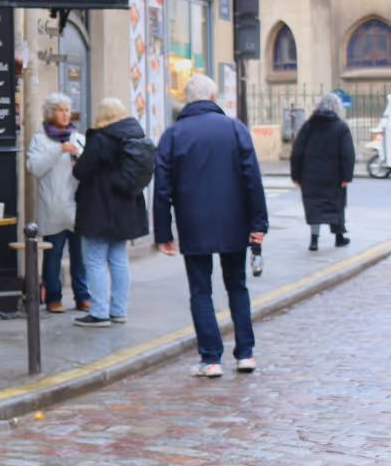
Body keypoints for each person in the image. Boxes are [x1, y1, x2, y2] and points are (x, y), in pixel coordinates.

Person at [154, 74, 268, 378]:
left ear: (188, 99)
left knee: (201, 291)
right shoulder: (234, 128)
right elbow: (252, 178)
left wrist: (163, 233)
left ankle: (211, 358)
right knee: (237, 285)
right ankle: (245, 354)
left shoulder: (173, 134)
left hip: (193, 223)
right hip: (235, 220)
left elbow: (162, 189)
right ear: (213, 96)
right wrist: (259, 223)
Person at [72, 98, 149, 328]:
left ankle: (99, 312)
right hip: (124, 207)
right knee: (118, 258)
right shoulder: (134, 134)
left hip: (99, 207)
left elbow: (81, 170)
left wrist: (77, 159)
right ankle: (118, 310)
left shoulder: (101, 138)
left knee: (94, 259)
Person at [26, 92, 90, 314]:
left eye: (67, 110)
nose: (65, 114)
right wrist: (58, 150)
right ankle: (54, 297)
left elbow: (91, 168)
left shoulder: (79, 138)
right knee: (52, 256)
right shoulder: (39, 138)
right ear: (50, 113)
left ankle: (83, 296)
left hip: (77, 207)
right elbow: (34, 168)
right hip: (53, 207)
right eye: (60, 110)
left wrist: (79, 155)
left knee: (80, 256)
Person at [291, 93, 355, 251]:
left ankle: (314, 241)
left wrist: (296, 175)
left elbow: (297, 152)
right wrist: (347, 176)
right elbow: (348, 154)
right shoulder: (341, 127)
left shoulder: (308, 126)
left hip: (310, 176)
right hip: (334, 177)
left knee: (314, 208)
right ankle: (339, 237)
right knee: (336, 206)